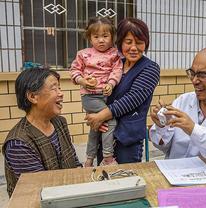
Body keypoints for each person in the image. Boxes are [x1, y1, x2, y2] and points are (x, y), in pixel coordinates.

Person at [85, 18, 160, 164]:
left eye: (139, 42)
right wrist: (92, 113)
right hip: (105, 134)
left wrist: (100, 115)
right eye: (128, 41)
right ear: (119, 42)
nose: (134, 47)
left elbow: (131, 100)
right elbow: (98, 92)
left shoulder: (150, 68)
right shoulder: (114, 64)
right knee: (105, 180)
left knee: (126, 180)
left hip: (127, 140)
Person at [2, 67, 81, 197]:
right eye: (54, 88)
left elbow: (74, 162)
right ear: (33, 97)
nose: (61, 93)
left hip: (67, 197)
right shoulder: (18, 143)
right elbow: (42, 191)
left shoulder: (59, 122)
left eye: (59, 88)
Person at [70, 17, 123, 166]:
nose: (101, 40)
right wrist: (82, 81)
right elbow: (74, 70)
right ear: (90, 37)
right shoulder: (83, 54)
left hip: (106, 95)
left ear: (112, 37)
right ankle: (108, 157)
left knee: (95, 128)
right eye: (96, 36)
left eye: (105, 36)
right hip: (90, 97)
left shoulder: (114, 54)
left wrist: (111, 84)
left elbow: (117, 71)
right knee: (110, 121)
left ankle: (88, 159)